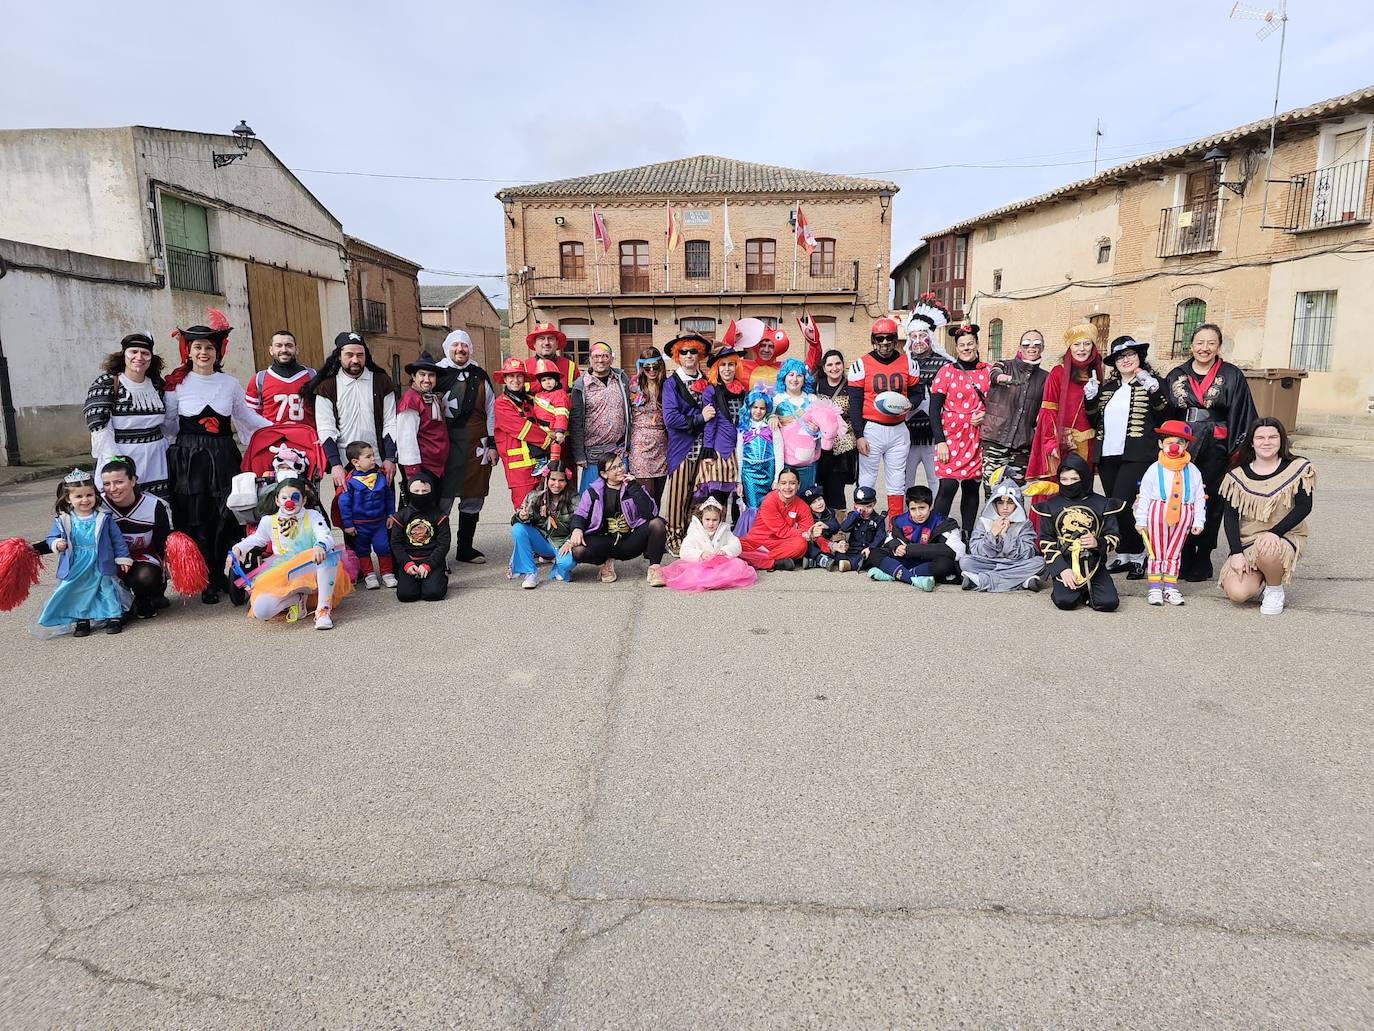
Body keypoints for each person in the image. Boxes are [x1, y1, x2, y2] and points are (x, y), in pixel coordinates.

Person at [163, 312, 272, 604]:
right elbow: (170, 427)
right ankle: (205, 579)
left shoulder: (229, 383)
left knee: (227, 514)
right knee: (197, 518)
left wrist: (277, 430)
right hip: (190, 460)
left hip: (224, 455)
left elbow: (244, 416)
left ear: (217, 351)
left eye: (209, 347)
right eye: (197, 347)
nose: (203, 352)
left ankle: (227, 575)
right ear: (188, 350)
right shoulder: (177, 385)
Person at [1165, 323, 1258, 581]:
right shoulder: (1176, 375)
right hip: (1183, 444)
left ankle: (1203, 553)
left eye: (1211, 343)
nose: (1204, 348)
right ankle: (1181, 551)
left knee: (1211, 501)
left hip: (1216, 447)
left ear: (1218, 346)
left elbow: (1242, 412)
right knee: (1180, 496)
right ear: (1191, 345)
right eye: (1199, 343)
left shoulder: (1231, 375)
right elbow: (1165, 413)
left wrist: (1237, 450)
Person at [1087, 336, 1168, 578]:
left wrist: (1153, 391)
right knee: (1113, 506)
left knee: (1124, 505)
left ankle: (1138, 553)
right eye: (1121, 357)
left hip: (1138, 455)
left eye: (1130, 355)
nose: (1126, 360)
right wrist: (1089, 398)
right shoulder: (1108, 389)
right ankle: (1122, 554)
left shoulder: (1153, 383)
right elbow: (1094, 420)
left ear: (1139, 357)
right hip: (1108, 454)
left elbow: (1166, 414)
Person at [1218, 417, 1315, 617]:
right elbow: (1230, 516)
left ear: (1281, 440)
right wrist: (1236, 553)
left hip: (1284, 536)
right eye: (1260, 437)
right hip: (1248, 541)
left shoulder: (1298, 468)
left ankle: (1274, 588)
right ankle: (1262, 573)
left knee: (1268, 548)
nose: (1267, 442)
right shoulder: (1237, 475)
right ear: (1252, 442)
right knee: (1238, 594)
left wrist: (1274, 533)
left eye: (1273, 437)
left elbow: (1305, 507)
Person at [229, 477, 350, 630]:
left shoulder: (312, 515)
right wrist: (238, 548)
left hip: (310, 566)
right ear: (277, 501)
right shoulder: (269, 520)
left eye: (295, 497)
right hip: (283, 570)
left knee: (328, 556)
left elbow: (325, 535)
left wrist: (320, 545)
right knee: (262, 611)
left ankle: (323, 611)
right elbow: (257, 538)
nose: (289, 502)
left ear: (304, 500)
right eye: (284, 498)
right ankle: (297, 599)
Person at [848, 316, 926, 525]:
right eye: (880, 338)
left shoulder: (908, 362)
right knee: (867, 479)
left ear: (895, 339)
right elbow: (854, 403)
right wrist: (859, 435)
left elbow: (918, 393)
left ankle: (895, 526)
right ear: (874, 339)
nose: (884, 343)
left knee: (896, 482)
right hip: (872, 428)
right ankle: (861, 525)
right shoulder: (861, 364)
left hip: (899, 428)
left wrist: (910, 404)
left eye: (889, 338)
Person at [37, 469, 133, 637]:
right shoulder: (64, 519)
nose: (85, 500)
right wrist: (57, 543)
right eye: (79, 496)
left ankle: (114, 616)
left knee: (106, 587)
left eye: (89, 495)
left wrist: (122, 558)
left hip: (100, 559)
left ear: (95, 495)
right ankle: (82, 619)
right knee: (78, 589)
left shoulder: (104, 517)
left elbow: (117, 539)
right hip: (77, 561)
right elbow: (51, 537)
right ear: (68, 498)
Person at [307, 331, 398, 496]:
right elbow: (326, 429)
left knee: (385, 514)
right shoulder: (327, 387)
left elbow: (391, 422)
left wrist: (390, 458)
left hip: (378, 461)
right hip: (345, 464)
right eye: (349, 355)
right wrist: (335, 465)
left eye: (360, 355)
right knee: (349, 516)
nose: (355, 360)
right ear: (339, 356)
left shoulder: (382, 382)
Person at [1030, 453, 1124, 612]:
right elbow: (1046, 541)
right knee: (1065, 602)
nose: (1068, 484)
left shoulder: (1103, 504)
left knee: (1108, 603)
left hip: (1094, 563)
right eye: (1064, 479)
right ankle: (1076, 590)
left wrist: (1098, 542)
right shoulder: (1050, 506)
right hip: (1065, 562)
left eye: (1074, 479)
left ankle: (1087, 590)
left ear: (1085, 478)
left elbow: (1115, 537)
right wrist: (1061, 568)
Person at [435, 329, 496, 565]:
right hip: (446, 445)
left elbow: (491, 411)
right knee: (444, 498)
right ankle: (438, 552)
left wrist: (492, 444)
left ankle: (465, 549)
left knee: (473, 495)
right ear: (447, 348)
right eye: (455, 345)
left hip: (476, 445)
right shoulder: (437, 374)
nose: (460, 349)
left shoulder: (479, 375)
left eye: (465, 345)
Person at [84, 333, 171, 497]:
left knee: (157, 505)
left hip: (157, 458)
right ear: (124, 355)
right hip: (121, 454)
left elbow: (167, 423)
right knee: (122, 502)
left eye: (145, 353)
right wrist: (116, 463)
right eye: (134, 352)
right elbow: (98, 425)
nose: (139, 357)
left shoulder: (157, 384)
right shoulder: (107, 383)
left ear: (151, 358)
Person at [1133, 420, 1206, 606]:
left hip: (1184, 514)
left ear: (1186, 445)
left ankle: (1171, 587)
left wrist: (1199, 520)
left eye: (1180, 443)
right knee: (1156, 552)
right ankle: (1155, 588)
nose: (1174, 446)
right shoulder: (1154, 469)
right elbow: (1145, 495)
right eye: (1169, 442)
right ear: (1161, 444)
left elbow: (1199, 497)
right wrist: (1141, 519)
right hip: (1158, 512)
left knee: (1174, 552)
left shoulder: (1193, 470)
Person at [929, 323, 991, 536]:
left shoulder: (988, 371)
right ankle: (936, 533)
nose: (966, 348)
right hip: (951, 438)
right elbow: (934, 409)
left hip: (977, 438)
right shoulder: (946, 372)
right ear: (956, 348)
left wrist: (986, 414)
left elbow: (998, 405)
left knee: (972, 488)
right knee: (947, 486)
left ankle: (967, 534)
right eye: (962, 345)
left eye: (970, 344)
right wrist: (940, 441)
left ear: (977, 344)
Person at [569, 454, 668, 586]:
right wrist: (577, 529)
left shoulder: (633, 487)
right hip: (605, 542)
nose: (620, 469)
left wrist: (634, 487)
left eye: (621, 464)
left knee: (657, 524)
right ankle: (604, 564)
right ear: (604, 474)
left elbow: (651, 513)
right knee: (577, 550)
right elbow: (580, 514)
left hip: (630, 540)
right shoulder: (593, 492)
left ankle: (654, 569)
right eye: (614, 468)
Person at [661, 332, 719, 553]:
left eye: (693, 351)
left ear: (699, 354)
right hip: (682, 449)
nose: (688, 356)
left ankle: (691, 536)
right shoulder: (671, 384)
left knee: (699, 496)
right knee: (677, 496)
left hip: (704, 448)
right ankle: (673, 538)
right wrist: (700, 418)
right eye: (683, 352)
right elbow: (671, 419)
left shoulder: (707, 380)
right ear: (677, 355)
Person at [1027, 324, 1104, 483]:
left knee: (1081, 489)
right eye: (1076, 344)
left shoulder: (1097, 373)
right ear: (1070, 348)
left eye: (1087, 344)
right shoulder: (1058, 372)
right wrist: (1050, 442)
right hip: (1062, 443)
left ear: (1093, 347)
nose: (1081, 349)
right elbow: (1048, 411)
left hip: (1087, 444)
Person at [99, 456, 172, 621]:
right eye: (106, 484)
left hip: (142, 558)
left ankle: (145, 596)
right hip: (108, 560)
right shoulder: (98, 505)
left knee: (146, 577)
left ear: (133, 480)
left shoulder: (154, 505)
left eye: (119, 482)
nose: (113, 489)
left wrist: (162, 579)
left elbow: (164, 544)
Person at [981, 328, 1048, 489]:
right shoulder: (1005, 365)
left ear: (1042, 348)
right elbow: (994, 373)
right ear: (1020, 347)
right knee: (992, 490)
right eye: (1026, 344)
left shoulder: (1045, 377)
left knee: (1015, 492)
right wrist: (1000, 377)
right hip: (995, 439)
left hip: (1022, 444)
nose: (1031, 347)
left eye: (1037, 343)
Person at [959, 472, 1046, 592]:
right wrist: (992, 535)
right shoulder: (984, 522)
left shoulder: (1024, 524)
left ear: (1017, 504)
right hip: (990, 563)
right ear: (994, 504)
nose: (1005, 508)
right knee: (965, 562)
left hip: (1015, 563)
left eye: (1010, 503)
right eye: (1000, 503)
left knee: (1039, 562)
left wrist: (1006, 536)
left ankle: (982, 581)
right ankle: (1022, 581)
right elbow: (975, 550)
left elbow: (1028, 553)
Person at [868, 485, 962, 591]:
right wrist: (896, 546)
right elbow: (889, 538)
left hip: (928, 562)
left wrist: (912, 550)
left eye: (922, 508)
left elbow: (958, 551)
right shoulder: (900, 520)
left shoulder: (943, 522)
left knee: (946, 564)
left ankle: (892, 573)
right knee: (874, 553)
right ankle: (912, 579)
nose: (918, 514)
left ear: (930, 507)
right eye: (913, 509)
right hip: (906, 559)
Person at [902, 297, 953, 491]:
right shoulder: (903, 364)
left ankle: (936, 518)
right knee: (906, 480)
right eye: (913, 337)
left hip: (935, 435)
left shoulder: (945, 364)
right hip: (908, 433)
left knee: (936, 479)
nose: (917, 341)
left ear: (930, 337)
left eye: (922, 335)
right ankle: (905, 517)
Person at [569, 341, 632, 493]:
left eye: (605, 356)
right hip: (593, 454)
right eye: (596, 356)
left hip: (618, 450)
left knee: (620, 497)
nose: (600, 360)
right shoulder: (581, 385)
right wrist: (579, 454)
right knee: (592, 498)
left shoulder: (620, 379)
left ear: (611, 359)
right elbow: (575, 422)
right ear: (590, 359)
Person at [660, 496, 756, 591]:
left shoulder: (725, 531)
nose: (711, 524)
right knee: (695, 574)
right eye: (707, 519)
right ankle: (713, 580)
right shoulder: (695, 532)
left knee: (737, 565)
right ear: (701, 518)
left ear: (720, 519)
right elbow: (684, 550)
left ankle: (718, 579)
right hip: (700, 565)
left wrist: (725, 550)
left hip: (720, 565)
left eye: (715, 520)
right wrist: (700, 554)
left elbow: (736, 545)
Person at [493, 357, 551, 508]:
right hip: (520, 470)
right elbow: (523, 429)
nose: (515, 380)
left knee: (544, 509)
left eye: (519, 376)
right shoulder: (501, 403)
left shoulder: (530, 400)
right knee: (525, 510)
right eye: (511, 376)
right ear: (504, 379)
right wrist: (548, 440)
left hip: (540, 466)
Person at [510, 461, 577, 589]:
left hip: (563, 543)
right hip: (542, 541)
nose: (557, 484)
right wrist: (522, 516)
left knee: (566, 564)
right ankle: (530, 573)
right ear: (546, 478)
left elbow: (581, 523)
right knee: (518, 529)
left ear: (567, 481)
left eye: (561, 480)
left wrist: (570, 541)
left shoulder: (574, 498)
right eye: (553, 479)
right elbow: (516, 521)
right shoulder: (534, 496)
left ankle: (560, 567)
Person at [338, 441, 395, 590]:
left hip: (379, 522)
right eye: (368, 457)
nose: (373, 459)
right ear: (355, 462)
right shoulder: (349, 482)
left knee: (383, 547)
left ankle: (387, 573)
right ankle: (369, 574)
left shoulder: (380, 476)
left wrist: (391, 514)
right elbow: (344, 505)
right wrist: (348, 524)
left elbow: (388, 497)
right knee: (362, 550)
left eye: (373, 455)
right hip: (360, 524)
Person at [390, 469, 450, 604]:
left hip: (431, 560)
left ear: (431, 492)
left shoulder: (439, 516)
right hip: (410, 560)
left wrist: (429, 564)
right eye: (416, 491)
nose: (420, 494)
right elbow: (396, 544)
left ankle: (440, 576)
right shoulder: (401, 516)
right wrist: (406, 563)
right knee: (406, 596)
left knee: (433, 594)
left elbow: (443, 544)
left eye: (424, 491)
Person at [739, 467, 812, 571]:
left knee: (801, 544)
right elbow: (782, 531)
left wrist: (810, 535)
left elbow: (807, 531)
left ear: (798, 485)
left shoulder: (803, 506)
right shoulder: (770, 500)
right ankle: (775, 562)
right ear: (778, 485)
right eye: (783, 483)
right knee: (734, 544)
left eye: (792, 483)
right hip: (758, 542)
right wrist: (803, 533)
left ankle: (759, 560)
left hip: (781, 544)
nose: (787, 487)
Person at [735, 387, 784, 536]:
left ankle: (768, 537)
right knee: (753, 506)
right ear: (749, 407)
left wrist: (777, 479)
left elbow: (779, 453)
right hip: (749, 474)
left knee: (768, 505)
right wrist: (739, 481)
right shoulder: (743, 428)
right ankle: (754, 537)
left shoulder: (771, 427)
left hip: (768, 472)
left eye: (762, 408)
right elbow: (739, 454)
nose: (758, 411)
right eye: (755, 407)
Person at [813, 349, 858, 512]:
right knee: (819, 487)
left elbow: (858, 414)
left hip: (842, 447)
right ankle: (821, 524)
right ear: (824, 368)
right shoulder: (816, 385)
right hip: (819, 445)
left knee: (836, 488)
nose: (834, 368)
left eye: (838, 363)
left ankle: (838, 527)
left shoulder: (851, 387)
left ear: (843, 365)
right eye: (830, 364)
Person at [396, 352, 450, 481]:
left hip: (435, 466)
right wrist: (413, 473)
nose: (427, 379)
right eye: (422, 374)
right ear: (414, 377)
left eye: (431, 375)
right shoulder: (410, 400)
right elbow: (406, 439)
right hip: (421, 467)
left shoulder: (432, 397)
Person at [245, 329, 316, 426]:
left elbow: (324, 413)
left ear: (296, 349)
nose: (284, 350)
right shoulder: (259, 380)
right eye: (278, 345)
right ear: (271, 350)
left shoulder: (313, 376)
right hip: (273, 439)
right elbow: (251, 419)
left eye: (289, 345)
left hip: (306, 438)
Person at [705, 346, 747, 508]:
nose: (727, 369)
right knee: (716, 501)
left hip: (740, 449)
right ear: (717, 368)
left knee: (739, 499)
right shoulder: (711, 391)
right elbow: (710, 423)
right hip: (720, 450)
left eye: (731, 364)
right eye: (723, 365)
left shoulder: (743, 390)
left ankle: (736, 532)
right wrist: (708, 449)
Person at [627, 347, 669, 506]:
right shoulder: (634, 385)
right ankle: (644, 527)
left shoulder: (667, 385)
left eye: (655, 367)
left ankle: (655, 529)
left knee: (658, 495)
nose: (651, 371)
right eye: (647, 368)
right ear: (641, 367)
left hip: (661, 446)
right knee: (645, 496)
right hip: (640, 446)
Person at [830, 485, 885, 572]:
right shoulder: (853, 516)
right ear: (855, 505)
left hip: (867, 549)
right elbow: (844, 528)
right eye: (862, 507)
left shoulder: (878, 520)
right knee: (839, 553)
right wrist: (856, 514)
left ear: (874, 503)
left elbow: (880, 537)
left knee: (870, 558)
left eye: (869, 506)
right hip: (852, 549)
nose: (866, 510)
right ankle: (845, 562)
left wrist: (870, 548)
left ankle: (849, 565)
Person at [530, 358, 571, 468]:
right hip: (541, 430)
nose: (547, 382)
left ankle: (545, 462)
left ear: (557, 381)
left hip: (554, 432)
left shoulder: (560, 395)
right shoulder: (539, 395)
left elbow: (562, 415)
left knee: (555, 463)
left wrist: (560, 431)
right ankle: (542, 461)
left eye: (550, 379)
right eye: (543, 380)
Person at [523, 322, 580, 393]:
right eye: (541, 338)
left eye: (550, 338)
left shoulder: (570, 366)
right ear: (534, 343)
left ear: (557, 343)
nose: (546, 342)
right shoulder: (524, 367)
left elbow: (578, 396)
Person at [799, 484, 840, 569]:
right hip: (812, 543)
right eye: (814, 502)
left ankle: (813, 562)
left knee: (836, 555)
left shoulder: (829, 512)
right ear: (809, 506)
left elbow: (836, 526)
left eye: (820, 499)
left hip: (826, 541)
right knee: (807, 546)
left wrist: (826, 525)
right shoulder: (807, 515)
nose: (819, 504)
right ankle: (819, 559)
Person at [737, 324, 789, 390]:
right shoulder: (742, 366)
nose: (766, 350)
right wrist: (730, 340)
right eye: (763, 345)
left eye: (771, 346)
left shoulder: (785, 368)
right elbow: (722, 361)